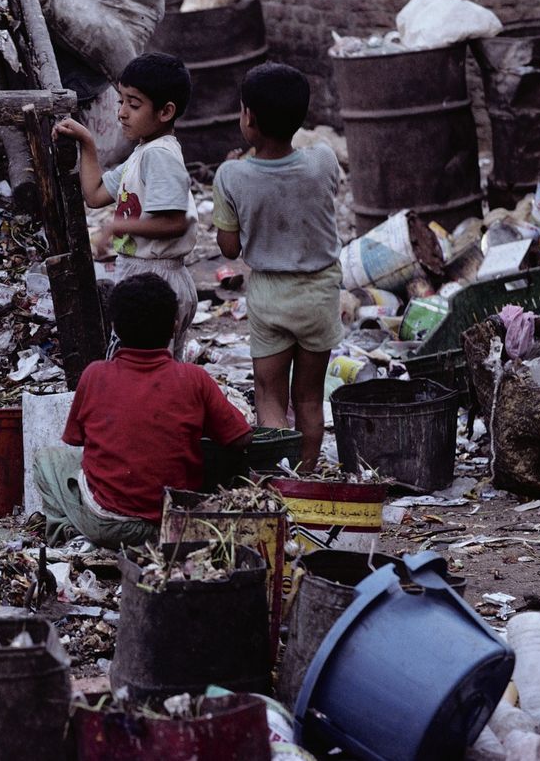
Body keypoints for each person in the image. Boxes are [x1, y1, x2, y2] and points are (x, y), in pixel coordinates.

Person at [32, 274, 252, 547]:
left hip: (106, 525)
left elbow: (76, 440)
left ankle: (66, 533)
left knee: (47, 460)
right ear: (174, 327)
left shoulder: (95, 375)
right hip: (175, 524)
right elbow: (241, 438)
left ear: (116, 328)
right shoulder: (195, 379)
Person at [212, 62, 342, 471]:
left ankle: (277, 478)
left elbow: (229, 248)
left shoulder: (231, 176)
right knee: (308, 397)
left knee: (270, 395)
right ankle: (304, 477)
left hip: (269, 296)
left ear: (248, 118)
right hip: (319, 294)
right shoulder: (323, 160)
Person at [54, 52, 199, 352]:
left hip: (157, 286)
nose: (121, 112)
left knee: (145, 375)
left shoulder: (159, 155)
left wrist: (117, 225)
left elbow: (174, 222)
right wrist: (87, 143)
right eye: (120, 101)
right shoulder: (142, 154)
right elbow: (94, 194)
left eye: (133, 104)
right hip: (144, 278)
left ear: (165, 112)